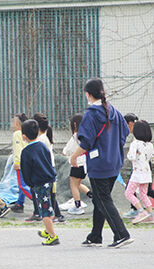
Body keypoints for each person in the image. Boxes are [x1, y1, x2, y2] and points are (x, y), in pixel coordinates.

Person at [71, 78, 133, 248]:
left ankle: (122, 234)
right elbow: (125, 132)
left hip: (99, 164)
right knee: (100, 199)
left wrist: (73, 157)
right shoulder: (113, 110)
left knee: (103, 199)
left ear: (88, 94)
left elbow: (86, 142)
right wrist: (113, 147)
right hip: (114, 161)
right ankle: (95, 236)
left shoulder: (91, 114)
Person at [20, 119, 59, 245]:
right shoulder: (42, 145)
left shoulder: (26, 151)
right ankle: (48, 231)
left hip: (39, 182)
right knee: (48, 205)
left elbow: (25, 171)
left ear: (24, 136)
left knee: (44, 210)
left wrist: (29, 183)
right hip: (50, 180)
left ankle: (53, 236)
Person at [32, 113, 65, 223]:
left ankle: (55, 215)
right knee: (50, 193)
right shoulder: (44, 137)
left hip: (46, 169)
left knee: (48, 193)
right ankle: (56, 214)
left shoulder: (41, 139)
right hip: (49, 168)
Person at [62, 114, 93, 215]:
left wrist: (66, 153)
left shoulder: (76, 136)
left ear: (74, 125)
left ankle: (78, 206)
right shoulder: (85, 135)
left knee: (73, 185)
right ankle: (92, 196)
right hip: (84, 164)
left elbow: (67, 150)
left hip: (76, 164)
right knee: (78, 184)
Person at [124, 120, 153, 224]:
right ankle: (151, 215)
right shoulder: (149, 145)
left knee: (128, 193)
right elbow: (150, 158)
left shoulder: (135, 143)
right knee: (143, 194)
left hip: (137, 173)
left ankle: (141, 211)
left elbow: (131, 157)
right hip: (146, 172)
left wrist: (129, 153)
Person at [10, 113, 34, 214]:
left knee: (22, 185)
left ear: (17, 123)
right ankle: (20, 204)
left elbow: (18, 150)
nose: (11, 123)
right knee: (24, 184)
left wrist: (17, 162)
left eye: (13, 121)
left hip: (21, 163)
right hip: (29, 162)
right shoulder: (26, 133)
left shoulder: (17, 134)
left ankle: (39, 201)